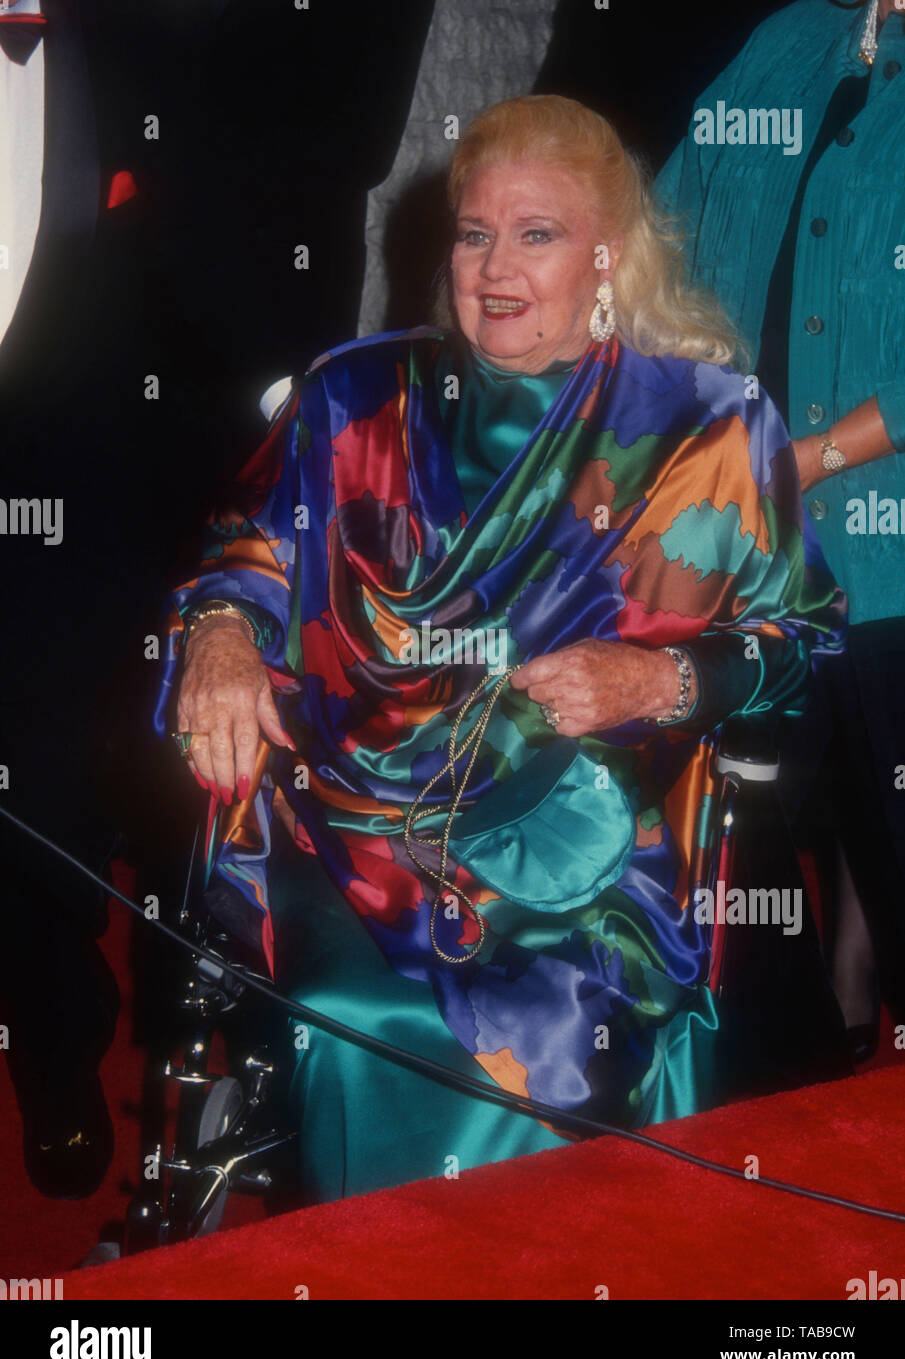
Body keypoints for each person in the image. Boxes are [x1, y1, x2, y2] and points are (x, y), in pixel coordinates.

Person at [158, 95, 846, 1203]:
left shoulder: (711, 429)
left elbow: (798, 643)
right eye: (475, 233)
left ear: (607, 256)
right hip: (358, 814)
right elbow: (248, 547)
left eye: (538, 235)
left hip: (594, 840)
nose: (494, 266)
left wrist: (663, 675)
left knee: (568, 1011)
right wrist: (226, 632)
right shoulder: (355, 393)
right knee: (353, 1014)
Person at [655, 0, 905, 1053]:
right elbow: (656, 233)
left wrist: (790, 468)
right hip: (744, 562)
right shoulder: (785, 39)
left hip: (886, 562)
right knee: (725, 887)